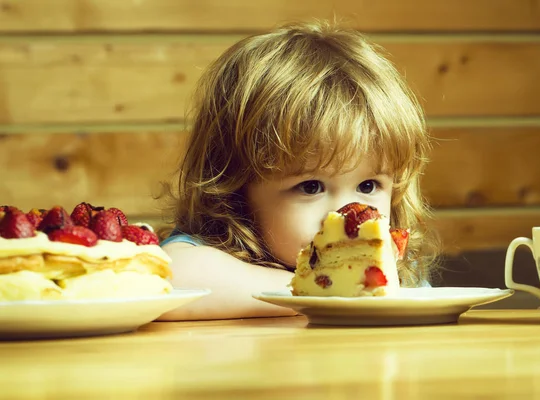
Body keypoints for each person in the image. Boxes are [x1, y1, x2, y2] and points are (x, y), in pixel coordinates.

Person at [157, 20, 439, 321]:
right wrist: (326, 289)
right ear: (235, 189)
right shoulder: (206, 255)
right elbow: (170, 278)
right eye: (311, 187)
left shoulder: (393, 272)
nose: (346, 216)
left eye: (368, 186)